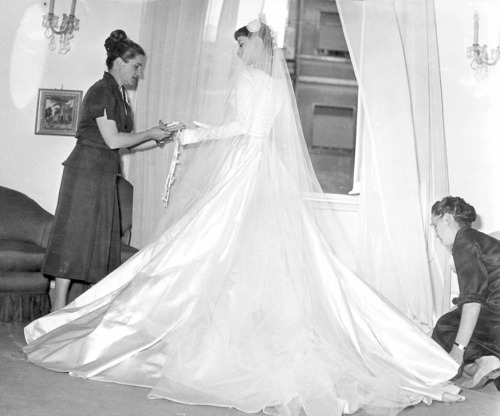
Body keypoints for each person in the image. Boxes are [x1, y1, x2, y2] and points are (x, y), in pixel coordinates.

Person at [25, 17, 464, 416]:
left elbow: (236, 128)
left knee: (204, 244)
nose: (237, 55)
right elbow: (259, 129)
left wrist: (192, 133)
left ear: (253, 49)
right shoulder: (275, 86)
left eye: (240, 46)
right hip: (265, 165)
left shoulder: (249, 80)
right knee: (266, 253)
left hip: (244, 165)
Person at [42, 29, 183, 311]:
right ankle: (55, 316)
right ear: (119, 63)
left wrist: (157, 137)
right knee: (73, 242)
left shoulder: (118, 94)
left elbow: (123, 147)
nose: (139, 73)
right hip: (85, 175)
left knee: (92, 244)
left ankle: (73, 315)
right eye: (136, 66)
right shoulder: (102, 91)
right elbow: (114, 140)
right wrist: (149, 133)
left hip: (101, 175)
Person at [431, 196, 500, 390]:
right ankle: (489, 362)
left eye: (434, 226)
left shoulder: (464, 242)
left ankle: (486, 360)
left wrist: (458, 350)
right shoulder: (478, 239)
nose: (436, 234)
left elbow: (473, 302)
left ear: (446, 218)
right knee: (455, 320)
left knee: (444, 327)